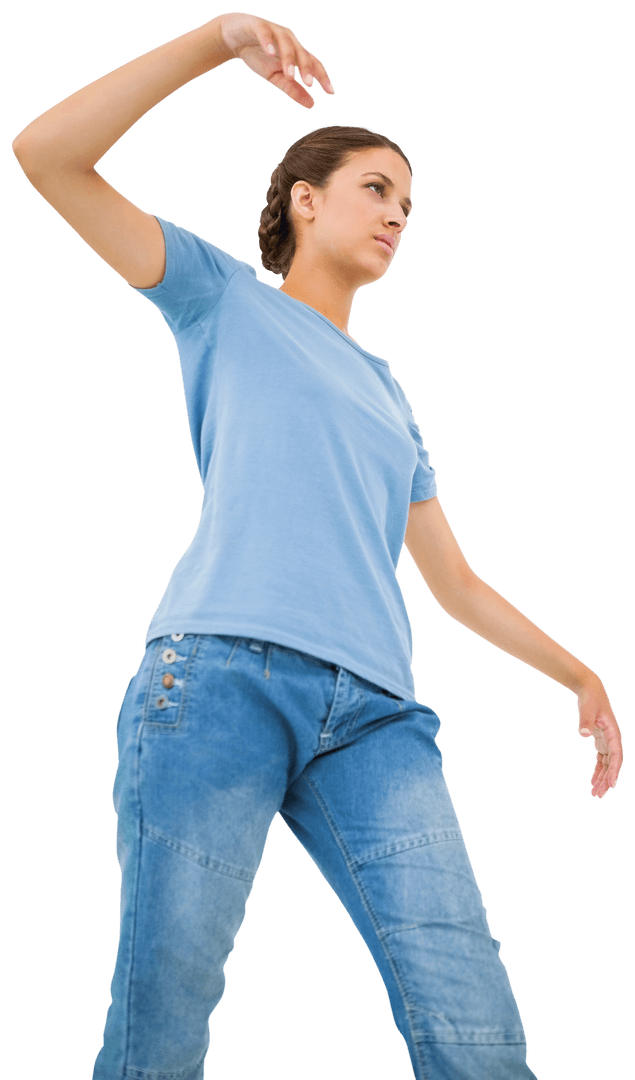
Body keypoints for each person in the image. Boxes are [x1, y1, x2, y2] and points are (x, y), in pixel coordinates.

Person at [11, 11, 623, 1080]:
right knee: (164, 1014)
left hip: (375, 718)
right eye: (375, 188)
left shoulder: (389, 394)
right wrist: (217, 38)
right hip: (215, 681)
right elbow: (46, 155)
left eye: (408, 204)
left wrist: (578, 673)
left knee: (477, 1025)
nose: (397, 215)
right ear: (303, 198)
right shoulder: (219, 302)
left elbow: (454, 581)